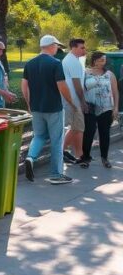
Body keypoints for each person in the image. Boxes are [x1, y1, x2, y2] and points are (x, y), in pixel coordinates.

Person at [21, 35, 76, 185]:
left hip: (36, 107)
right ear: (51, 46)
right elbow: (62, 86)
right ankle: (56, 175)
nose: (57, 48)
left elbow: (24, 86)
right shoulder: (55, 63)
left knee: (38, 136)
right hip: (53, 108)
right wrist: (71, 102)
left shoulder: (30, 63)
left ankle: (30, 157)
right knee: (57, 141)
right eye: (57, 46)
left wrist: (29, 104)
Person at [80, 51, 118, 169]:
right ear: (94, 60)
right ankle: (86, 158)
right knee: (88, 133)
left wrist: (115, 107)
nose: (103, 62)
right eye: (101, 60)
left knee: (104, 134)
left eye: (104, 60)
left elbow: (115, 92)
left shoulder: (109, 74)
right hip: (90, 107)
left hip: (106, 108)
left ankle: (104, 158)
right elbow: (81, 90)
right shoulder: (85, 73)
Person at [60, 38, 88, 165]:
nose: (84, 50)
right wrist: (83, 102)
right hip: (73, 100)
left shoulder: (74, 59)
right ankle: (63, 152)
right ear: (74, 47)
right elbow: (77, 84)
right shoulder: (72, 61)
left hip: (72, 99)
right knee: (77, 127)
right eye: (82, 48)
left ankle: (75, 154)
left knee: (76, 127)